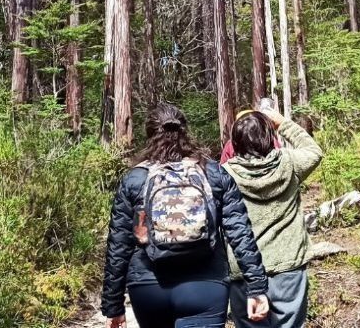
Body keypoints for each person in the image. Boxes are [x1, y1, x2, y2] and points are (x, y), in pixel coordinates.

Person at [101, 103, 271, 328]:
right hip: (206, 287)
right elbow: (240, 233)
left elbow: (119, 245)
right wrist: (257, 287)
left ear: (149, 135)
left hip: (149, 287)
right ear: (185, 132)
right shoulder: (213, 173)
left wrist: (113, 304)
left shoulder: (135, 179)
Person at [223, 107, 323, 328]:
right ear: (270, 138)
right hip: (288, 268)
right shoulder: (289, 164)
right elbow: (314, 152)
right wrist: (282, 123)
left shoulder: (225, 174)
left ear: (235, 144)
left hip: (244, 273)